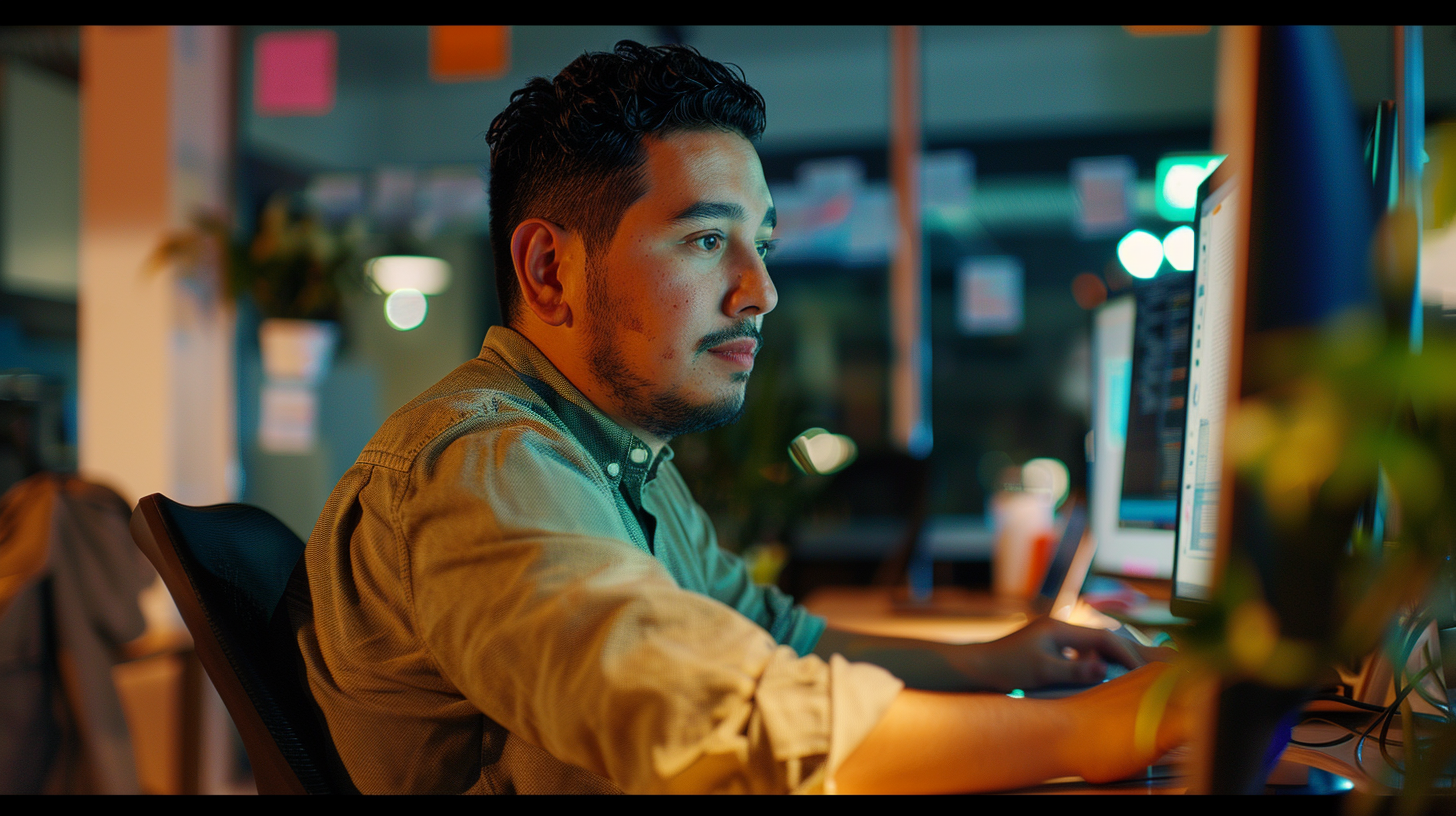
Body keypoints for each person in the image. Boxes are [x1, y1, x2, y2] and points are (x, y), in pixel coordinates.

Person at [298, 40, 1196, 795]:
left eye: (760, 244)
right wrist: (1100, 732)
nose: (760, 290)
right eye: (704, 239)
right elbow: (707, 712)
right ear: (548, 271)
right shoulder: (483, 462)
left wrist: (997, 662)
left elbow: (768, 636)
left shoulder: (617, 455)